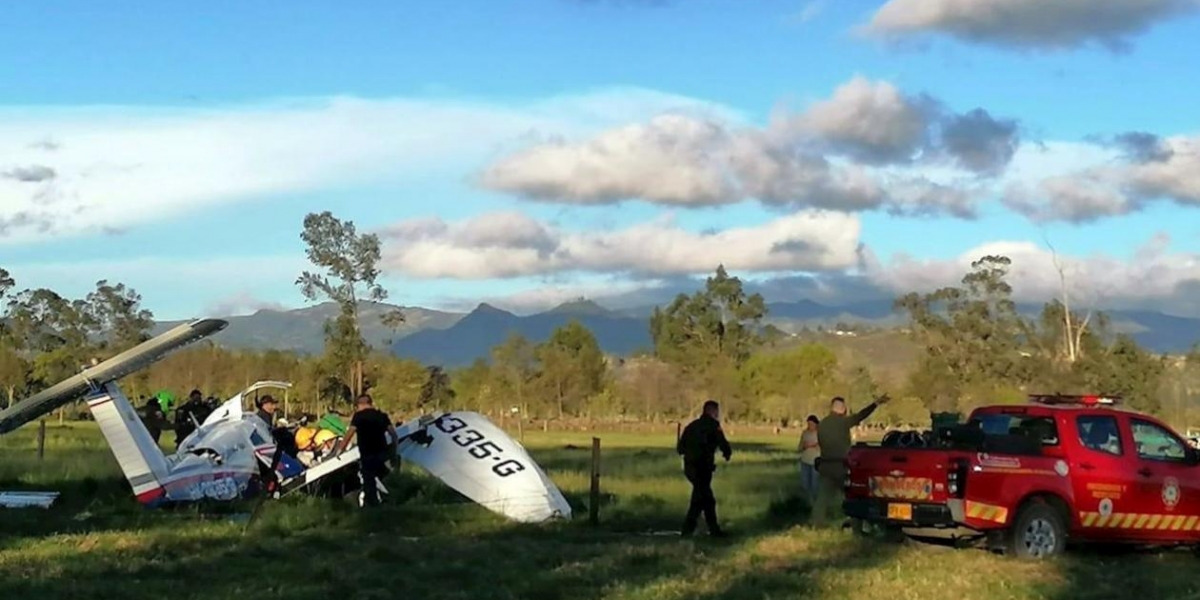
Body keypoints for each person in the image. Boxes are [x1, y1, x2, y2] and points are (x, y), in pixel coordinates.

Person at [812, 393, 890, 526]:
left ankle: (816, 523)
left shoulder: (822, 424)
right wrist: (876, 404)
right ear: (842, 409)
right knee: (853, 495)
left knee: (822, 498)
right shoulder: (843, 422)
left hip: (825, 465)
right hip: (841, 465)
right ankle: (855, 524)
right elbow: (860, 415)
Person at [676, 399, 732, 537]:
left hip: (690, 468)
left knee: (704, 498)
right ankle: (690, 530)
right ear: (711, 411)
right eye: (716, 411)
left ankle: (711, 530)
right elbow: (723, 443)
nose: (717, 414)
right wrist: (727, 453)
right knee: (702, 499)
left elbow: (680, 448)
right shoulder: (713, 425)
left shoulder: (691, 426)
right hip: (703, 468)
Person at [334, 394, 398, 507]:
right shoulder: (382, 415)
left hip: (367, 453)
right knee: (382, 476)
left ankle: (374, 505)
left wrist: (340, 450)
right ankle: (390, 499)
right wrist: (393, 452)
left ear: (360, 404)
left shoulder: (359, 416)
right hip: (382, 453)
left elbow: (349, 434)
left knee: (369, 480)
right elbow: (394, 435)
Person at [798, 415, 820, 502]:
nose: (810, 426)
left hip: (816, 462)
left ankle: (815, 501)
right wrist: (805, 446)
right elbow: (800, 447)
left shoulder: (820, 434)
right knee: (805, 483)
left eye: (811, 424)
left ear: (816, 424)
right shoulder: (805, 433)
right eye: (808, 424)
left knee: (815, 484)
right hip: (805, 461)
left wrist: (813, 445)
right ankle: (806, 500)